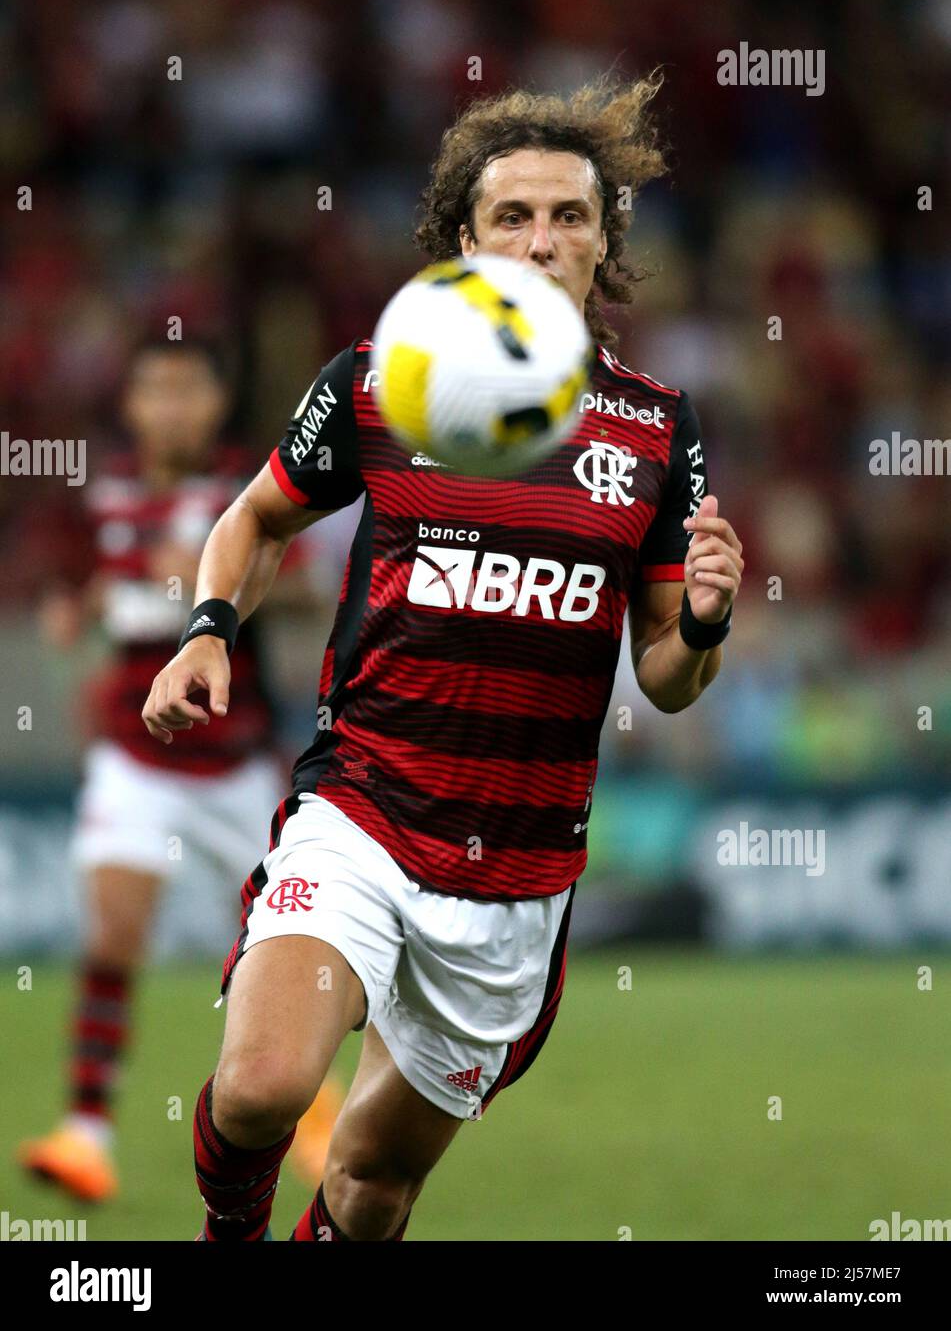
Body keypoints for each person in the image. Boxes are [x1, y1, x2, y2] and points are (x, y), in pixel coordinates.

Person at [143, 73, 745, 1242]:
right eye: (511, 215)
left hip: (519, 869)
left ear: (606, 241)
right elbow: (253, 519)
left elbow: (668, 674)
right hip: (363, 806)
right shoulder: (381, 379)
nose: (540, 239)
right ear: (464, 239)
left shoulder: (656, 426)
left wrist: (708, 621)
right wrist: (208, 631)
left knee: (371, 1188)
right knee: (264, 1085)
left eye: (570, 215)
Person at [18, 338, 343, 1203]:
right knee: (111, 940)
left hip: (237, 766)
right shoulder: (104, 494)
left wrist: (207, 595)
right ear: (130, 405)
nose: (169, 407)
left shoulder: (255, 487)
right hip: (135, 760)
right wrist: (77, 610)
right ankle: (87, 1134)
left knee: (276, 956)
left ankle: (311, 1122)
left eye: (187, 390)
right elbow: (79, 594)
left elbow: (311, 588)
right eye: (153, 390)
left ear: (215, 403)